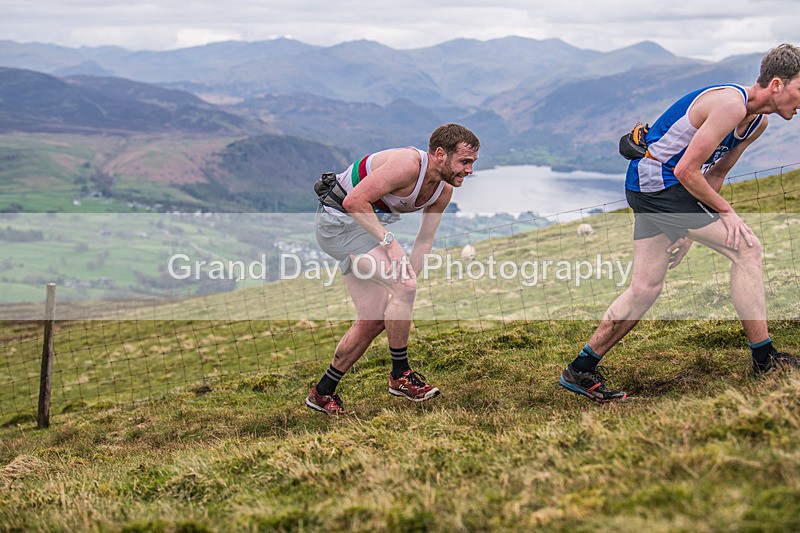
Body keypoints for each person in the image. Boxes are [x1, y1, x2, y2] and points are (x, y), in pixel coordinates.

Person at [560, 43, 800, 402]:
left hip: (658, 189)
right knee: (747, 250)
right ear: (777, 85)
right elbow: (686, 169)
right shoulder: (730, 104)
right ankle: (765, 360)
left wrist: (687, 228)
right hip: (657, 184)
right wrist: (724, 213)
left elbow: (715, 173)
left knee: (646, 288)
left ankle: (580, 369)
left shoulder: (757, 123)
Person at [306, 123, 480, 414]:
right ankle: (400, 376)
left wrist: (408, 280)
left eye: (472, 163)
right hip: (337, 224)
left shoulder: (443, 192)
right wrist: (392, 248)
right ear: (440, 154)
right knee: (402, 287)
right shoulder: (407, 165)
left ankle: (322, 393)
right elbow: (353, 201)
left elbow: (424, 240)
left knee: (373, 319)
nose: (469, 170)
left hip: (365, 230)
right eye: (464, 161)